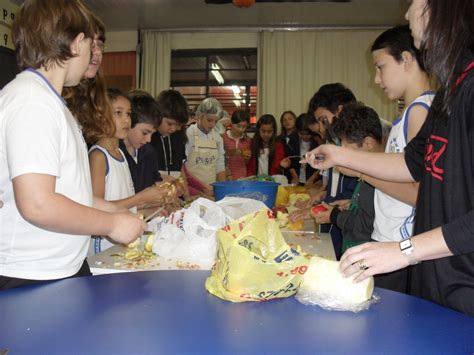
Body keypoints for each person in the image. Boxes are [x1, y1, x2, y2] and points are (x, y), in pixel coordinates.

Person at [306, 0, 474, 315]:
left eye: (415, 2)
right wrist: (340, 154)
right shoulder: (449, 94)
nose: (408, 12)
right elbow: (411, 164)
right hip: (436, 279)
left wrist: (404, 250)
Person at [0, 0, 146, 290]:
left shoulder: (50, 102)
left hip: (54, 267)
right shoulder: (33, 102)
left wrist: (111, 210)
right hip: (29, 272)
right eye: (92, 44)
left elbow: (67, 193)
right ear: (78, 43)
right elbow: (38, 204)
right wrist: (112, 225)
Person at [88, 89, 174, 254]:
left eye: (128, 114)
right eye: (118, 113)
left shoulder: (121, 154)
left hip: (122, 242)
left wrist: (146, 211)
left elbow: (122, 202)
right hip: (103, 247)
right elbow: (94, 210)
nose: (126, 120)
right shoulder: (98, 157)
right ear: (99, 116)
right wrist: (141, 198)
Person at [185, 98, 226, 195]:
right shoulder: (189, 134)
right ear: (199, 116)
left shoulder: (217, 138)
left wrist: (223, 190)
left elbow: (220, 166)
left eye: (216, 121)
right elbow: (184, 168)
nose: (212, 124)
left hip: (211, 189)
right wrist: (201, 188)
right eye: (209, 120)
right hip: (191, 189)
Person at [150, 89, 189, 180]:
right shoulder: (148, 138)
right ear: (158, 115)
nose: (173, 129)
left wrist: (185, 191)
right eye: (170, 124)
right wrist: (162, 178)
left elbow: (181, 168)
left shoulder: (178, 137)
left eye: (178, 125)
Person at [280, 113, 319, 185]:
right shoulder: (292, 140)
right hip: (297, 179)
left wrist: (312, 178)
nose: (304, 137)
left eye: (307, 134)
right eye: (301, 133)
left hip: (313, 180)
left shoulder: (318, 142)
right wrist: (295, 176)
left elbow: (322, 164)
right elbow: (289, 160)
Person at [222, 110, 252, 180]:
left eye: (244, 127)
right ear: (232, 123)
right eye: (238, 126)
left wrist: (247, 157)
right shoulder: (223, 138)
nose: (241, 130)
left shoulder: (247, 140)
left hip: (242, 177)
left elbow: (246, 163)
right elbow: (219, 158)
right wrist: (231, 152)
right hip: (226, 177)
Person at [278, 111, 299, 182]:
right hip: (283, 173)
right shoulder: (279, 139)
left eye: (290, 119)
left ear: (295, 120)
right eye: (284, 120)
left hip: (298, 173)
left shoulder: (300, 137)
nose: (287, 121)